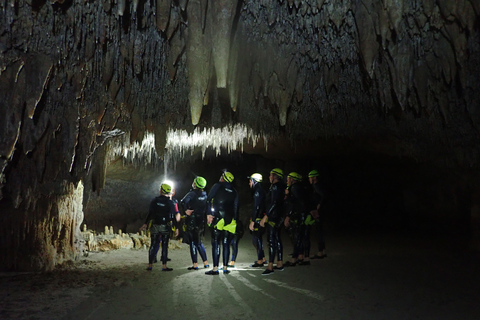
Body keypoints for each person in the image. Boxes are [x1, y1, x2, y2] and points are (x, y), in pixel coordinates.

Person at [205, 171, 239, 275]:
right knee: (226, 243)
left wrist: (208, 214)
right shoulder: (234, 191)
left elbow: (208, 199)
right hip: (230, 220)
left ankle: (215, 268)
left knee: (216, 242)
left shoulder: (217, 186)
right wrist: (236, 220)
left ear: (222, 178)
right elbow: (236, 207)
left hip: (218, 218)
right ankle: (225, 268)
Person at [139, 182, 178, 271]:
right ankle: (164, 266)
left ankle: (150, 265)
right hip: (165, 226)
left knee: (153, 244)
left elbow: (150, 214)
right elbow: (172, 216)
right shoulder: (170, 202)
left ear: (161, 190)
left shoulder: (155, 201)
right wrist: (176, 227)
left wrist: (145, 223)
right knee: (164, 245)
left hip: (155, 225)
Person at [260, 168, 286, 275]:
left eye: (271, 175)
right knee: (277, 238)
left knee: (271, 241)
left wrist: (266, 216)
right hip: (279, 216)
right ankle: (279, 262)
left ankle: (270, 266)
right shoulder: (282, 186)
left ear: (275, 177)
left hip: (273, 217)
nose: (269, 177)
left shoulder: (275, 187)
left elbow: (274, 202)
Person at [180, 176, 210, 270]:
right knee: (199, 242)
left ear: (195, 184)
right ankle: (205, 263)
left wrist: (186, 210)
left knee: (193, 242)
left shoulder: (192, 194)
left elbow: (183, 201)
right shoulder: (205, 194)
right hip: (201, 220)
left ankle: (195, 264)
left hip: (192, 220)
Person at [284, 172, 313, 266]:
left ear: (293, 179)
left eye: (288, 178)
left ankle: (294, 260)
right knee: (305, 236)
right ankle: (305, 258)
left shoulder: (294, 188)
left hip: (299, 215)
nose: (287, 180)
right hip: (306, 214)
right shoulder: (303, 187)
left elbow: (295, 203)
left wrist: (289, 215)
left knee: (297, 237)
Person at [248, 173, 267, 267]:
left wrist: (253, 221)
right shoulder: (261, 190)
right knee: (258, 238)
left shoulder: (257, 191)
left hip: (259, 218)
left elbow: (257, 207)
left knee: (256, 239)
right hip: (261, 216)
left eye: (250, 181)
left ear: (254, 181)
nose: (249, 183)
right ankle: (262, 258)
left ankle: (260, 260)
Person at [308, 169, 327, 259]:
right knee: (320, 231)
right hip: (320, 210)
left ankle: (320, 252)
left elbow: (323, 195)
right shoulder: (318, 186)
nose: (309, 179)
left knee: (318, 231)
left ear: (314, 177)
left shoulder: (317, 186)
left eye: (310, 177)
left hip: (319, 211)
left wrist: (319, 205)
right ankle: (322, 251)